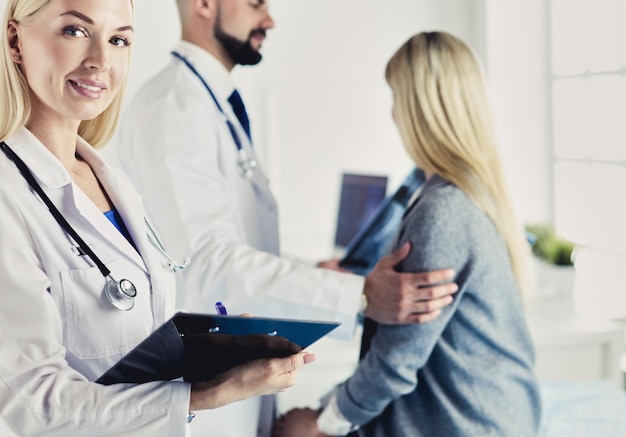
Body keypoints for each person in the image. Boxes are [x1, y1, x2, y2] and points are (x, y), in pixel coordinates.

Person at [106, 2, 460, 436]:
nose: (269, 19)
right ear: (203, 4)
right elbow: (204, 263)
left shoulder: (212, 104)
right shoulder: (175, 108)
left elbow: (226, 244)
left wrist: (312, 272)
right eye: (256, 3)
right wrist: (359, 294)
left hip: (238, 375)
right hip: (205, 396)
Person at [0, 0, 315, 435]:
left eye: (118, 40)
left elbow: (127, 336)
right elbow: (29, 403)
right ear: (15, 40)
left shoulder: (111, 180)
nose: (100, 61)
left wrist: (210, 345)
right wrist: (207, 393)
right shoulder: (7, 196)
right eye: (75, 31)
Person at [273, 31, 542, 437]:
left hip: (468, 425)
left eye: (396, 98)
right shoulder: (446, 190)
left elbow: (396, 361)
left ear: (420, 108)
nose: (393, 114)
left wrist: (320, 424)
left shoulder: (443, 211)